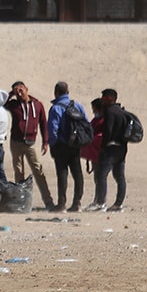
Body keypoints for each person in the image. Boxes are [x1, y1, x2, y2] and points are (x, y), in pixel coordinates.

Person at [4, 81, 56, 210]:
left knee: (38, 170)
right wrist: (11, 94)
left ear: (27, 89)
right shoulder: (14, 105)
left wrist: (45, 142)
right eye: (17, 92)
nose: (20, 94)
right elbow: (2, 104)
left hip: (30, 143)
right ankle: (21, 200)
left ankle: (48, 201)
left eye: (21, 90)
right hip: (16, 142)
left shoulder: (37, 105)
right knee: (19, 171)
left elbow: (43, 123)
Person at [88, 88, 129, 212]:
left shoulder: (110, 112)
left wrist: (103, 147)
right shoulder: (122, 112)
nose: (102, 100)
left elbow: (108, 131)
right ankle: (118, 204)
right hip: (122, 149)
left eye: (104, 98)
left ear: (109, 99)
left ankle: (100, 203)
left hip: (110, 149)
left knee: (101, 175)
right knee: (119, 177)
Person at [47, 81, 85, 213]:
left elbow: (53, 129)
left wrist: (52, 144)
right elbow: (85, 124)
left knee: (62, 174)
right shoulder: (78, 107)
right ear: (67, 92)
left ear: (56, 92)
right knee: (77, 174)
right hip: (75, 146)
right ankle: (77, 203)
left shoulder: (55, 108)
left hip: (61, 146)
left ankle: (61, 204)